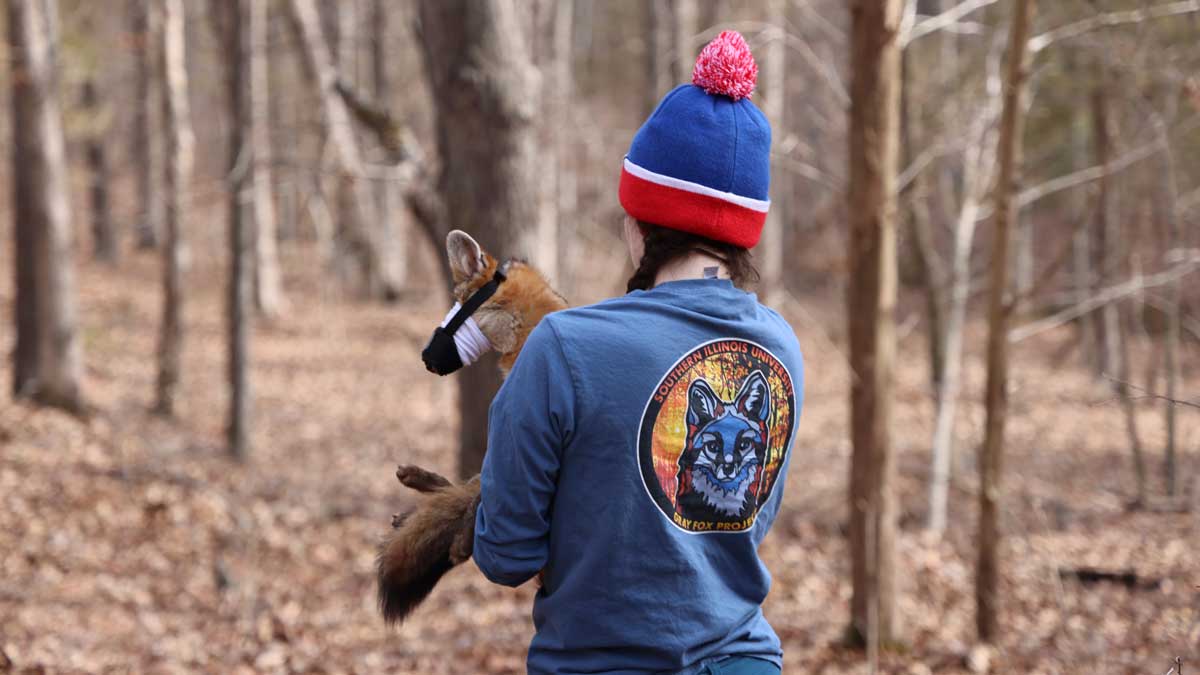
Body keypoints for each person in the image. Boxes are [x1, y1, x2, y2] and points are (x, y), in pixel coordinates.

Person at [472, 31, 804, 675]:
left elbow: (505, 553)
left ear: (638, 218)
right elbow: (737, 529)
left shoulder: (564, 347)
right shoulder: (780, 347)